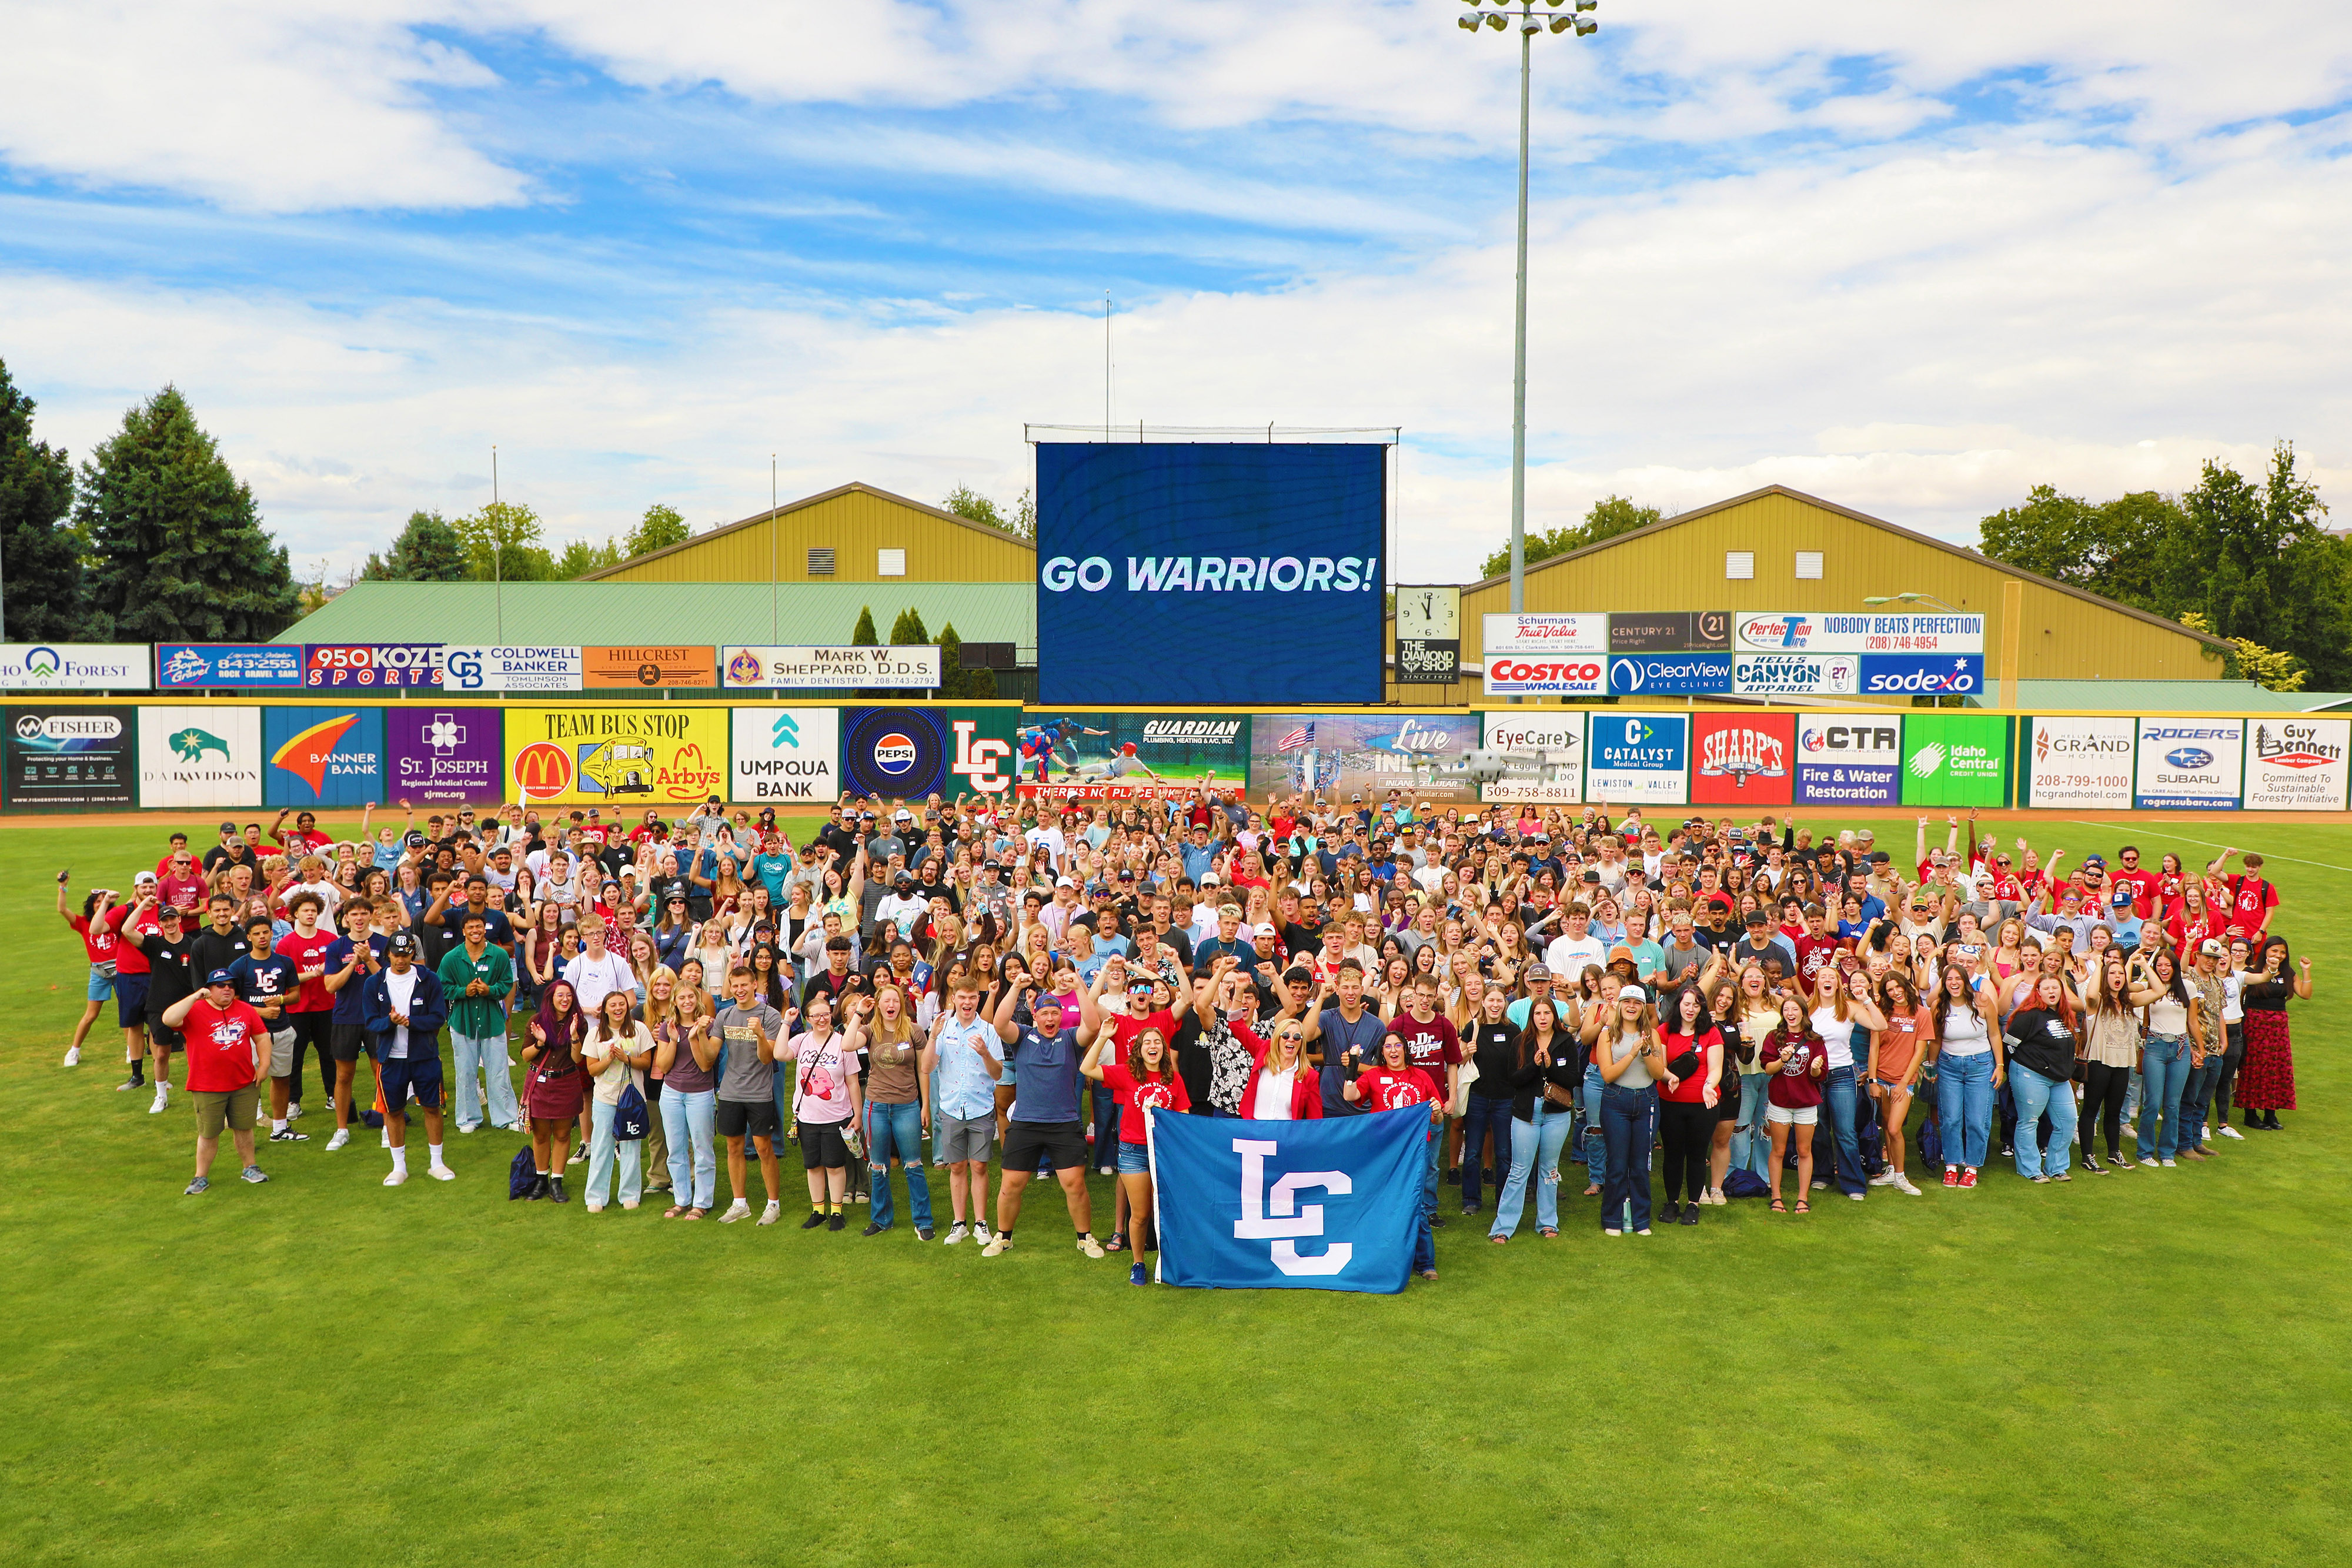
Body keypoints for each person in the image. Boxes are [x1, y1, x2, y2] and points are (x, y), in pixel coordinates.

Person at [984, 984, 1105, 1259]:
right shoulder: (1023, 1037)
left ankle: (1085, 1238)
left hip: (1064, 1123)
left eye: (1055, 1013)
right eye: (1044, 1014)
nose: (1050, 1019)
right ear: (1035, 1016)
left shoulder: (1072, 1039)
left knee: (1075, 1184)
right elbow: (1000, 1022)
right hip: (1026, 1123)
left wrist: (1078, 987)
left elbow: (1094, 1024)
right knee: (1011, 1185)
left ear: (1061, 1015)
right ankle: (1003, 1237)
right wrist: (1015, 986)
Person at [1083, 1021, 1191, 1286]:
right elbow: (1086, 1068)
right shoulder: (1127, 1074)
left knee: (1165, 1210)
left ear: (1164, 1049)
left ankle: (1170, 1261)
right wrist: (1104, 1037)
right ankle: (1138, 1263)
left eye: (1157, 1043)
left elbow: (1184, 1117)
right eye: (1147, 1043)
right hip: (1133, 1151)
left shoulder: (1173, 1079)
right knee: (1140, 1213)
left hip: (1164, 1151)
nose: (1152, 1047)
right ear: (1139, 1050)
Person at [160, 968, 271, 1194]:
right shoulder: (194, 1011)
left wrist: (264, 1066)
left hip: (243, 1083)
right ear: (209, 990)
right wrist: (194, 997)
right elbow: (168, 1018)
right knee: (209, 1133)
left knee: (244, 1129)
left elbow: (261, 1037)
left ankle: (250, 1167)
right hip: (207, 1086)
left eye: (231, 985)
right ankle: (200, 1177)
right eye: (221, 985)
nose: (227, 989)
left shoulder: (246, 1010)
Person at [1342, 1031, 1442, 1279]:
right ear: (1382, 1052)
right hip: (1383, 1151)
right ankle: (1383, 1257)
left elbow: (1436, 1117)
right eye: (1388, 1047)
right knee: (1381, 1202)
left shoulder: (1421, 1077)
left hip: (1415, 1151)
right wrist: (1353, 1064)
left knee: (1416, 1204)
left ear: (1405, 1050)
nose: (1393, 1050)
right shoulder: (1373, 1076)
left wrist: (1438, 1111)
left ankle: (1426, 1263)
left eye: (1398, 1045)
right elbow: (1349, 1096)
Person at [359, 931, 455, 1186]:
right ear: (387, 954)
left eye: (406, 955)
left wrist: (411, 1022)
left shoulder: (429, 979)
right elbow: (370, 1023)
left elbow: (439, 1017)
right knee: (394, 1110)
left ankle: (437, 1163)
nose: (401, 960)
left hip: (424, 1056)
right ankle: (399, 1167)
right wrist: (389, 1022)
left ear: (413, 954)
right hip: (391, 1058)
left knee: (432, 1107)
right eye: (396, 955)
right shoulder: (374, 984)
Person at [1489, 997, 1576, 1243]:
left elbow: (1572, 1079)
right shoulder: (1521, 1041)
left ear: (1554, 1016)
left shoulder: (1566, 1041)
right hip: (1527, 1113)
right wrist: (1534, 1065)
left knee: (1550, 1170)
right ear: (1532, 1017)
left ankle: (1548, 1223)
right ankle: (1503, 1226)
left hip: (1556, 1114)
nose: (1543, 1018)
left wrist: (1550, 1067)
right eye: (1538, 1013)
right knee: (1519, 1170)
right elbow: (1513, 1079)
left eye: (1547, 1013)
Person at [777, 992, 864, 1231]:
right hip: (807, 1117)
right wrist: (786, 1022)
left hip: (837, 1115)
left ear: (831, 1016)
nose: (822, 1019)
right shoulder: (802, 1040)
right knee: (813, 1166)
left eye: (825, 1014)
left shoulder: (843, 1042)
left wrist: (857, 1115)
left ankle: (837, 1211)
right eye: (816, 1016)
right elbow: (780, 1054)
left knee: (835, 1166)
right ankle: (818, 1210)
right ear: (808, 1019)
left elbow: (853, 1082)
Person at [929, 979, 1004, 1246]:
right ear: (954, 998)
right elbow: (927, 1067)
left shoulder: (988, 1031)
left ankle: (981, 1224)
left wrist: (985, 1053)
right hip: (951, 1107)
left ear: (978, 1000)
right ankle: (959, 1223)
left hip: (980, 1107)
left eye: (973, 997)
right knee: (958, 1166)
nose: (967, 1002)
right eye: (962, 997)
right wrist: (933, 1037)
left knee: (980, 1166)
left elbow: (998, 1073)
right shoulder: (942, 1027)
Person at [711, 965, 787, 1225]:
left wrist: (760, 1035)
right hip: (731, 1092)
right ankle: (739, 1203)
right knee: (733, 1147)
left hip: (759, 1093)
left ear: (755, 985)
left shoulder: (770, 1015)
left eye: (745, 985)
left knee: (764, 1148)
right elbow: (710, 1056)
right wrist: (699, 1035)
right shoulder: (725, 1015)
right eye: (735, 986)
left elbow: (767, 1059)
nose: (740, 990)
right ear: (730, 987)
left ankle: (773, 1204)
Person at [858, 985, 934, 1240]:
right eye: (886, 1001)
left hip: (907, 1106)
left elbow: (924, 1070)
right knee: (878, 1165)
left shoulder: (914, 1030)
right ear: (879, 1004)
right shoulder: (869, 1030)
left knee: (913, 1164)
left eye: (896, 1001)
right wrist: (859, 1014)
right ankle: (881, 1220)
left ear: (902, 1004)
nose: (891, 1005)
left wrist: (926, 1105)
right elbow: (847, 1044)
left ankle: (923, 1221)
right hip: (876, 1106)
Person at [437, 910, 518, 1134]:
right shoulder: (452, 958)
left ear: (485, 930)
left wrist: (489, 990)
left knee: (499, 1071)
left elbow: (507, 984)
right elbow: (443, 987)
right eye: (471, 928)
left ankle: (506, 1117)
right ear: (463, 931)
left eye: (479, 927)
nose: (475, 931)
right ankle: (468, 1118)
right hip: (462, 1022)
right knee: (465, 1072)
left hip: (493, 1021)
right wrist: (465, 991)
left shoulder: (499, 955)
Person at [1592, 984, 1661, 1237]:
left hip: (1646, 1101)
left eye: (1637, 1003)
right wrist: (1633, 1054)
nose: (1631, 1007)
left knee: (1641, 1164)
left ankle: (1641, 1220)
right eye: (1627, 1002)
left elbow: (1657, 1074)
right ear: (1619, 1005)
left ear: (1643, 1007)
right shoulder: (1608, 1035)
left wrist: (1646, 1052)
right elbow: (1608, 1075)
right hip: (1616, 1101)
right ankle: (1612, 1217)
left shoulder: (1652, 1034)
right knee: (1618, 1164)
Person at [1932, 958, 2004, 1189]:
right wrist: (1930, 1065)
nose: (1954, 983)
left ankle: (1972, 1168)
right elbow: (1936, 1039)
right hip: (1949, 1066)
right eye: (1949, 979)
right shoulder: (1939, 1006)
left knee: (1977, 1120)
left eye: (1958, 979)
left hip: (1980, 1065)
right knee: (1951, 1118)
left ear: (1966, 981)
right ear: (1944, 983)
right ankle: (1951, 1167)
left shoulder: (1982, 1001)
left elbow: (1994, 1034)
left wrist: (2000, 1065)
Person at [1653, 984, 1722, 1226]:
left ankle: (1693, 1204)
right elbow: (1659, 1066)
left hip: (1702, 1106)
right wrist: (1668, 1077)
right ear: (1678, 1005)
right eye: (1686, 1004)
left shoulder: (1711, 1033)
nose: (1690, 1009)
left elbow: (1715, 1068)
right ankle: (1671, 1202)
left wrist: (1708, 1086)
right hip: (1670, 1103)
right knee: (1673, 1154)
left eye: (1696, 1004)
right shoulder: (1663, 1031)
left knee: (1696, 1154)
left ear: (1702, 1007)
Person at [581, 988, 654, 1212]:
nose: (618, 1009)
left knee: (631, 1146)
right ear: (605, 1009)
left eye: (622, 1004)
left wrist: (627, 1058)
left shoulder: (639, 1029)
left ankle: (630, 1193)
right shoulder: (595, 1034)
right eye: (613, 1005)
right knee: (602, 1146)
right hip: (605, 1098)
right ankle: (596, 1196)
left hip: (632, 1099)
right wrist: (611, 1058)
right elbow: (592, 1070)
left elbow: (646, 1063)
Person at [2003, 972, 2080, 1183]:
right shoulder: (2029, 1015)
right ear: (2038, 992)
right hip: (2031, 1075)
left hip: (2060, 1079)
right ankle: (2030, 1169)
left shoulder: (2065, 1015)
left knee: (2068, 1121)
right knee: (2029, 1121)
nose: (2051, 992)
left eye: (2055, 988)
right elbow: (2008, 1043)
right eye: (2046, 988)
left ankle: (2056, 1167)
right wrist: (2027, 1062)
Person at [2077, 955, 2150, 1174]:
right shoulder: (2097, 1002)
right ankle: (2087, 1156)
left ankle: (2113, 1153)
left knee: (2114, 1111)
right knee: (2091, 1110)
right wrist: (2099, 965)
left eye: (2120, 973)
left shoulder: (2129, 1002)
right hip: (2099, 1062)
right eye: (2112, 973)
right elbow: (2090, 994)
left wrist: (2144, 965)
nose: (2117, 977)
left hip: (2122, 1064)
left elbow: (2159, 991)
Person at [654, 977, 719, 1218]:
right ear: (675, 1001)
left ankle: (702, 1202)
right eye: (682, 998)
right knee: (676, 1149)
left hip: (700, 1093)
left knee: (703, 1149)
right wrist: (673, 1040)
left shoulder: (708, 1026)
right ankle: (681, 1199)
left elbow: (705, 1065)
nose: (687, 1001)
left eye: (691, 996)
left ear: (697, 999)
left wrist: (695, 1036)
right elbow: (663, 1065)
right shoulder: (667, 1027)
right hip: (671, 1093)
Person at [520, 980, 587, 1203]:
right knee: (540, 1135)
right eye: (560, 995)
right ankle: (541, 1180)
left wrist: (575, 1035)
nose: (565, 999)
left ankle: (556, 1182)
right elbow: (526, 1056)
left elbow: (578, 1059)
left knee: (563, 1134)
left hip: (566, 1082)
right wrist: (540, 1043)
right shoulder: (536, 1021)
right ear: (551, 998)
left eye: (569, 995)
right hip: (539, 1084)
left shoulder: (578, 1022)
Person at [1759, 994, 1825, 1214]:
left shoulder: (1815, 1040)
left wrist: (1815, 1068)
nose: (1791, 1014)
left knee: (1804, 1150)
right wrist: (1783, 1060)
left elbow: (1819, 1076)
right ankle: (1776, 1197)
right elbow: (1768, 1069)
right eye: (1786, 1010)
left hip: (1806, 1103)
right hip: (1780, 1102)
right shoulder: (1774, 1037)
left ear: (1803, 1013)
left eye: (1795, 1009)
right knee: (1778, 1150)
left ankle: (1802, 1198)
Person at [2236, 934, 2308, 1132]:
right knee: (2254, 1067)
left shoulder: (2288, 973)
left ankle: (2271, 1113)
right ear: (2266, 951)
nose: (2279, 955)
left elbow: (2305, 993)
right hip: (2255, 1023)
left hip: (2278, 1025)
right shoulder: (2252, 972)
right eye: (2275, 950)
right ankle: (2250, 1114)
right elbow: (2239, 998)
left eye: (2283, 952)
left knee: (2276, 1068)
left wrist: (2306, 971)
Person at [1865, 971, 1928, 1195]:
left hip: (1904, 1082)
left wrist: (1904, 1084)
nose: (1895, 992)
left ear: (1906, 986)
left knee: (1894, 1128)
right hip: (1881, 1078)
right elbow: (1874, 1048)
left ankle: (1901, 1177)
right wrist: (1873, 1080)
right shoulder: (1882, 1013)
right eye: (1890, 990)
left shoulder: (1921, 1013)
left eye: (1898, 987)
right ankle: (1890, 1170)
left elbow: (1919, 1052)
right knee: (1885, 1125)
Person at [2136, 950, 2194, 1168]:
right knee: (2152, 1102)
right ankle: (2145, 1152)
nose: (2163, 968)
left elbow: (2193, 1021)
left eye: (2167, 965)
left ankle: (2168, 1152)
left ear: (2175, 967)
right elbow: (2128, 989)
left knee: (2172, 1105)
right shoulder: (2149, 986)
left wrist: (2199, 1050)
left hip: (2181, 1048)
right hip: (2155, 1047)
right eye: (2159, 964)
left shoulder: (2187, 987)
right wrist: (2142, 965)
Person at [57, 877, 119, 1068]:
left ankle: (130, 1051)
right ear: (92, 905)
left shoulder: (117, 919)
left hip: (121, 969)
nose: (100, 904)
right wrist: (63, 887)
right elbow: (62, 910)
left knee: (127, 1012)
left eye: (104, 901)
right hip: (99, 972)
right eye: (97, 902)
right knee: (91, 1015)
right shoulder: (84, 923)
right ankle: (74, 1050)